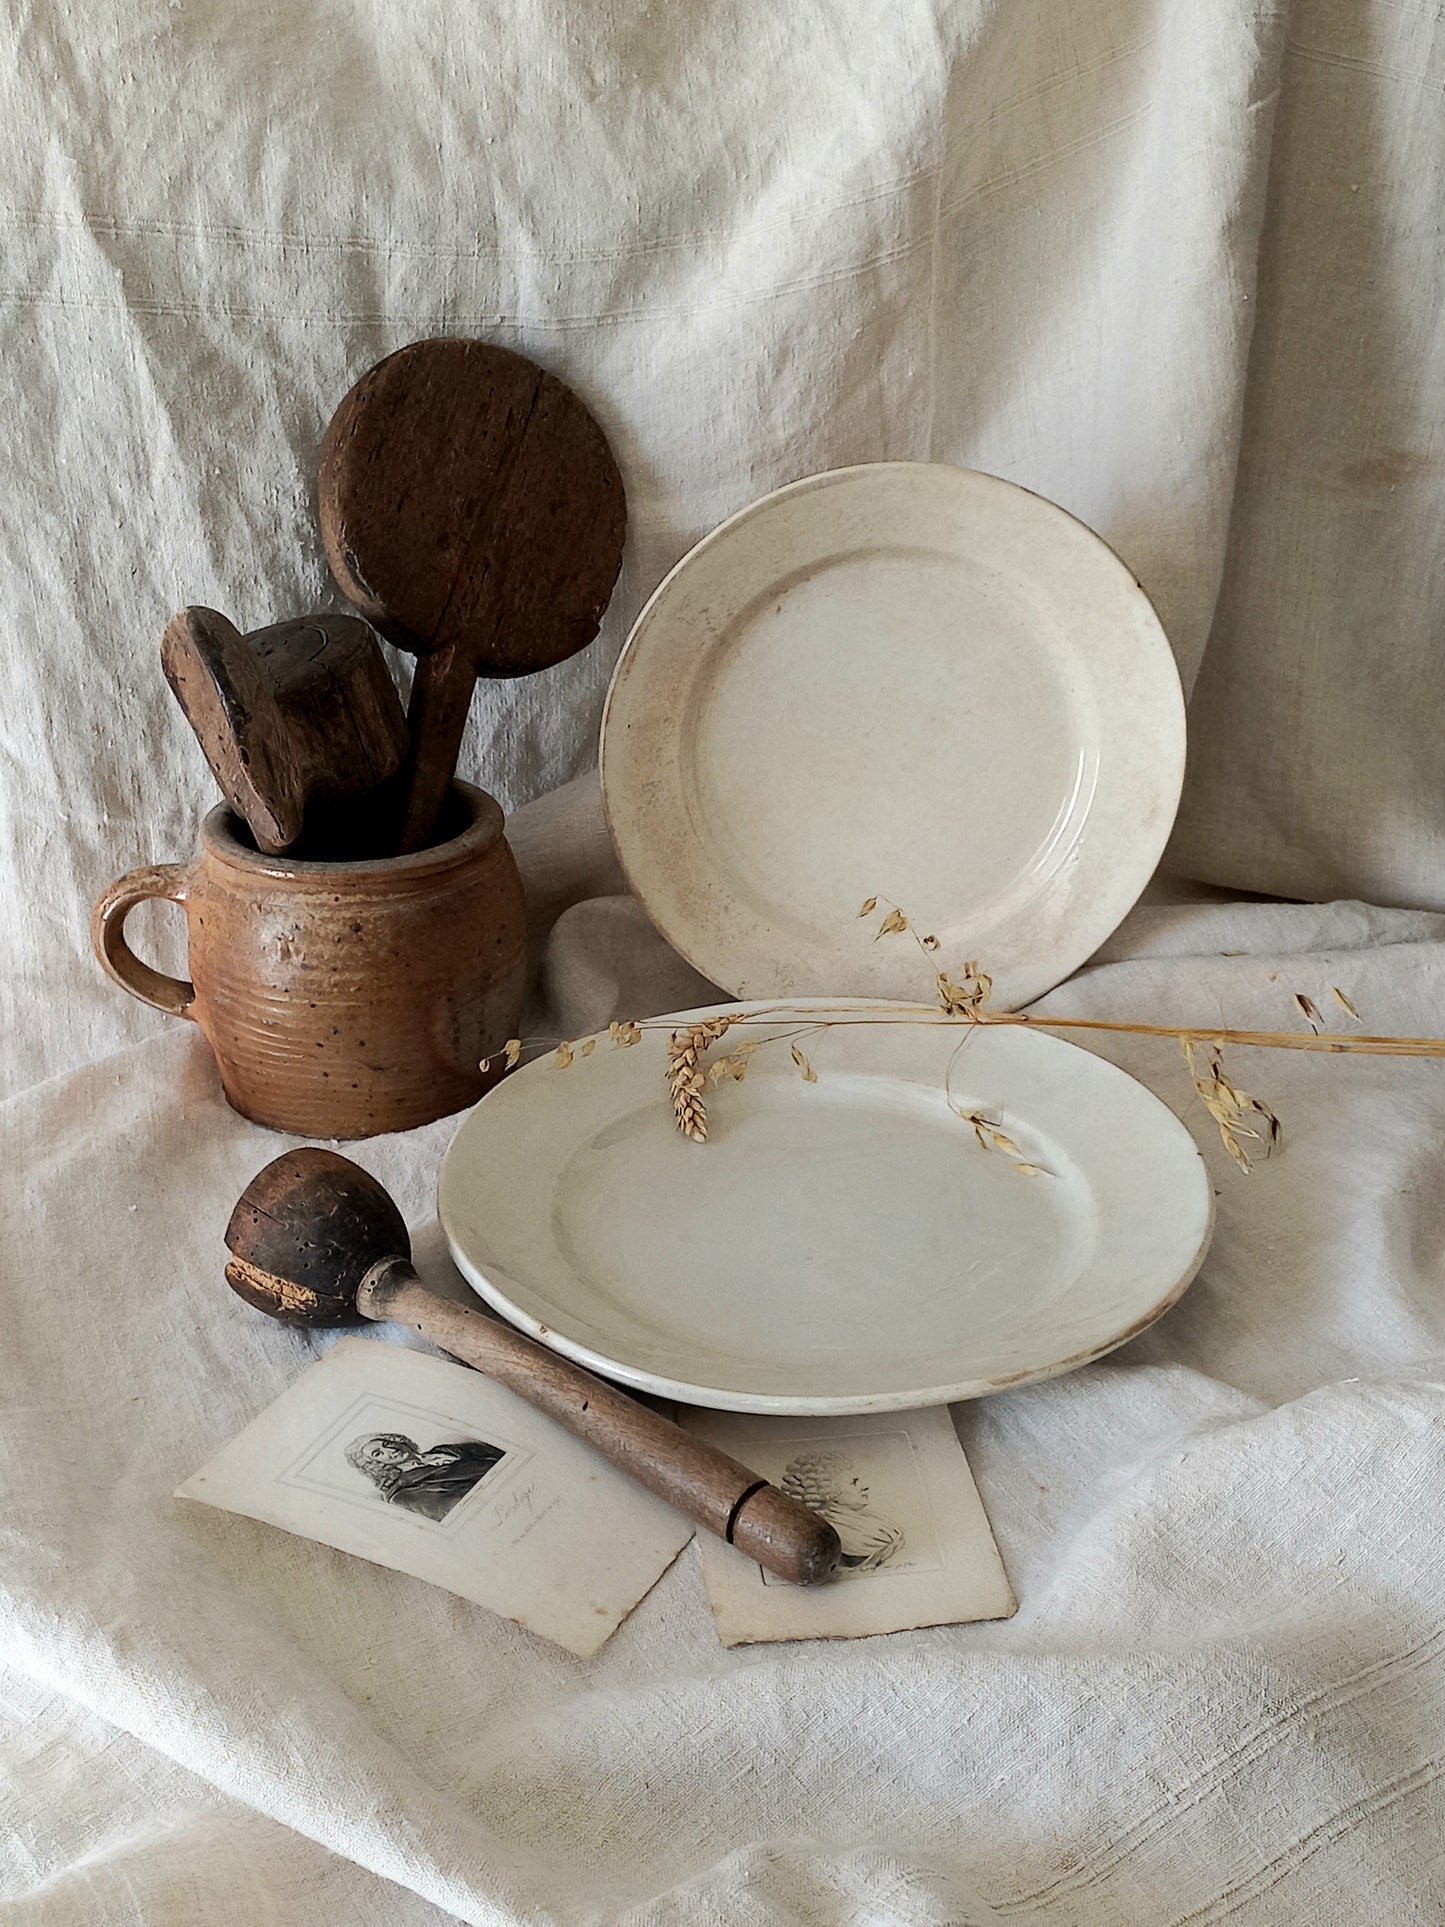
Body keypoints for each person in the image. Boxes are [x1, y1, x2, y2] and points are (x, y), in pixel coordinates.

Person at [345, 1431, 504, 1522]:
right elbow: (461, 1507)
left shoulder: (444, 1450)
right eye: (379, 1453)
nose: (391, 1450)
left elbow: (500, 1455)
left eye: (387, 1443)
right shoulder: (402, 1494)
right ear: (377, 1465)